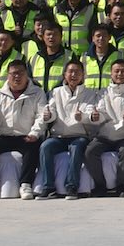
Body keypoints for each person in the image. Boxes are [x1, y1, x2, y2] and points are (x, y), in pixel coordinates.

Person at [0, 60, 47, 200]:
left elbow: (42, 117)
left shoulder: (37, 92)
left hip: (26, 136)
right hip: (5, 135)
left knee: (32, 147)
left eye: (21, 73)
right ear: (8, 76)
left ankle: (25, 184)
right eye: (13, 74)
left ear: (27, 74)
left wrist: (34, 133)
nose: (17, 77)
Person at [84, 59, 124, 198]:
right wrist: (96, 116)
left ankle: (121, 186)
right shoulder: (103, 93)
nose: (120, 74)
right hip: (105, 135)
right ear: (111, 73)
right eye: (116, 71)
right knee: (90, 151)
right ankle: (100, 185)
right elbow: (100, 112)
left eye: (123, 71)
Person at [37, 59, 94, 199]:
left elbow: (91, 112)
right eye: (70, 72)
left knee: (76, 147)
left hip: (79, 135)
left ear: (83, 75)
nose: (73, 75)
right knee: (45, 146)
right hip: (59, 136)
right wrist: (48, 116)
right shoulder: (56, 92)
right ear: (64, 74)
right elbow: (51, 110)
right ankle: (48, 187)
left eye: (77, 72)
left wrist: (83, 117)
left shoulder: (90, 93)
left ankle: (71, 186)